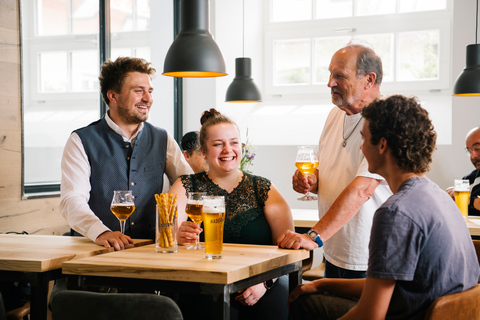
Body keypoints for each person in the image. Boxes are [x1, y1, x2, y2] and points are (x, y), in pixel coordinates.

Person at [288, 95, 480, 320]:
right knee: (313, 292)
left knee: (302, 304)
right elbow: (392, 285)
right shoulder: (440, 197)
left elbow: (370, 315)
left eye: (363, 138)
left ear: (382, 145)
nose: (360, 146)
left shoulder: (395, 213)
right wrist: (323, 284)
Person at [277, 43, 392, 279]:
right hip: (335, 249)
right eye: (330, 74)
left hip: (368, 254)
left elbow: (362, 190)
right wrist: (310, 180)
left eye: (339, 76)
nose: (330, 82)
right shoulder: (335, 113)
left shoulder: (386, 119)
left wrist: (313, 236)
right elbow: (326, 171)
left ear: (369, 80)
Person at [169, 108, 294, 320]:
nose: (228, 150)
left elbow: (288, 250)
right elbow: (166, 234)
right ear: (204, 151)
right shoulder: (185, 186)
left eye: (234, 142)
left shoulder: (263, 188)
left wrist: (265, 283)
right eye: (218, 144)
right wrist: (176, 237)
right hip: (202, 284)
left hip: (261, 282)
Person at [60, 57, 193, 251]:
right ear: (113, 96)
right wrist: (101, 232)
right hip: (96, 254)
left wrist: (176, 223)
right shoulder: (81, 140)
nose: (147, 98)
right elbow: (71, 200)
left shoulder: (162, 138)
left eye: (150, 91)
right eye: (138, 91)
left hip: (149, 253)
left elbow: (189, 183)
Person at [446, 127, 480, 216]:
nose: (473, 156)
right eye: (469, 151)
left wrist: (470, 200)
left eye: (477, 148)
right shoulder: (470, 179)